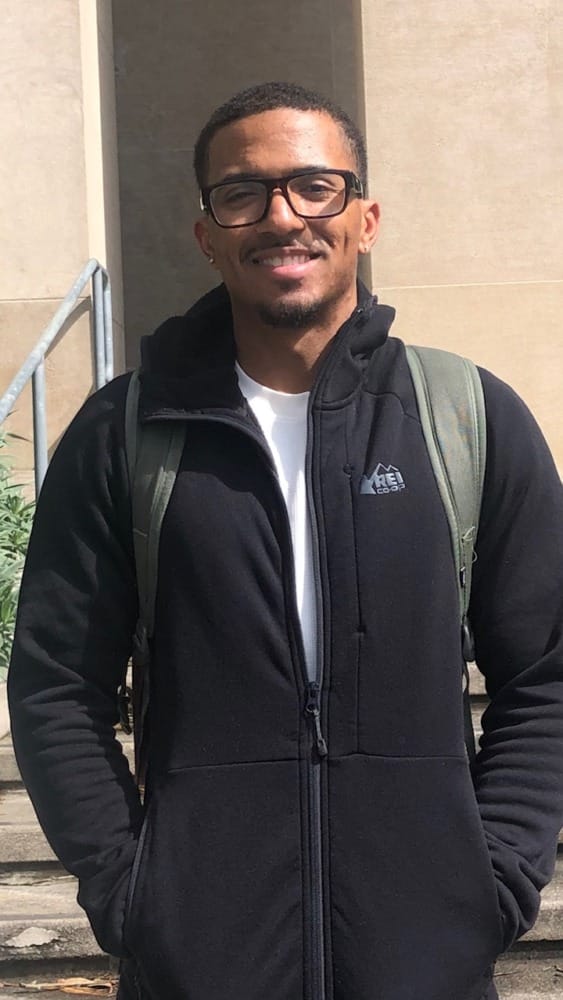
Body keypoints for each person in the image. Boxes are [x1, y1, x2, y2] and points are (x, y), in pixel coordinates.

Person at [8, 81, 563, 1000]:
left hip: (426, 961)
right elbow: (57, 686)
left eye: (314, 186)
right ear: (207, 234)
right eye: (243, 193)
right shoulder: (126, 433)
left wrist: (491, 877)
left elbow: (544, 673)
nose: (281, 217)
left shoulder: (467, 417)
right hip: (200, 965)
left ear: (365, 219)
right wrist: (133, 891)